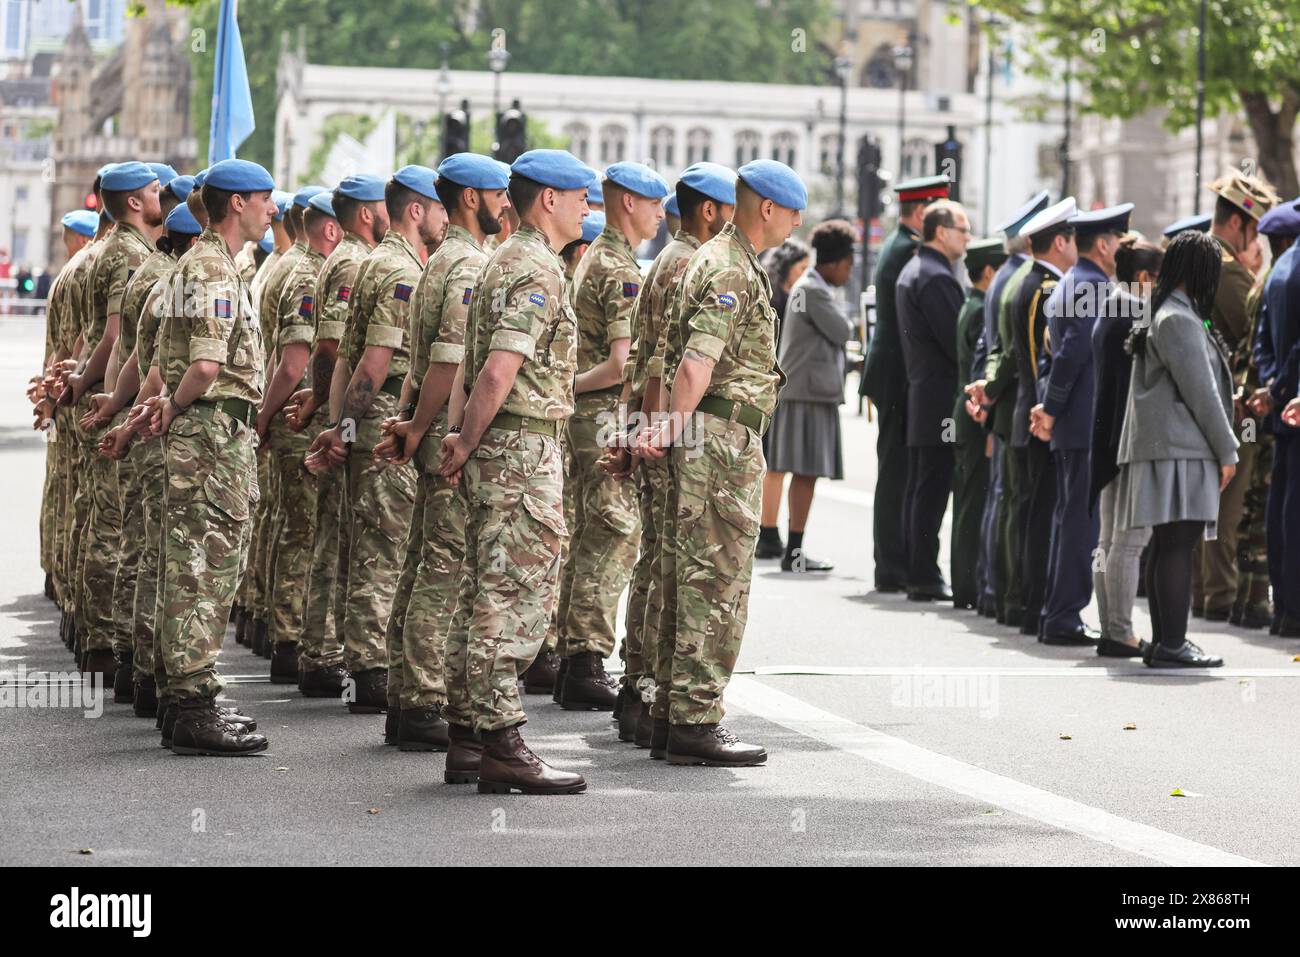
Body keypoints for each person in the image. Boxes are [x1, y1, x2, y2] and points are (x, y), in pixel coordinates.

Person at [436, 148, 594, 795]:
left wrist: (458, 437)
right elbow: (498, 367)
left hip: (501, 447)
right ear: (547, 200)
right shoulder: (536, 267)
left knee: (482, 587)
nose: (588, 204)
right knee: (513, 594)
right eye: (579, 194)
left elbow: (470, 364)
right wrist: (465, 439)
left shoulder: (504, 257)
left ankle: (470, 736)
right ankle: (500, 739)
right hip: (520, 452)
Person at [639, 158, 805, 766]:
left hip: (709, 436)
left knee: (686, 577)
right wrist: (669, 431)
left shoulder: (715, 258)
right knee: (716, 582)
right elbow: (693, 365)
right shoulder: (729, 268)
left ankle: (670, 714)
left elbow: (666, 356)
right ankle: (696, 720)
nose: (795, 222)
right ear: (768, 208)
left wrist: (660, 430)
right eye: (792, 211)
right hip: (720, 441)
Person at [371, 152, 511, 756]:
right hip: (451, 438)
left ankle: (408, 699)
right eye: (498, 192)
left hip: (432, 432)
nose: (507, 201)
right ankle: (424, 698)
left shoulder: (438, 261)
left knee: (422, 565)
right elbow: (449, 364)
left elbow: (423, 359)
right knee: (445, 573)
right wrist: (430, 427)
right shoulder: (466, 266)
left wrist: (408, 422)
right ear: (472, 199)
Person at [600, 161, 736, 752]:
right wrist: (655, 434)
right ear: (710, 209)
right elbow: (664, 364)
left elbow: (643, 361)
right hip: (682, 433)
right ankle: (659, 697)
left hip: (657, 424)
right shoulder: (691, 263)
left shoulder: (669, 263)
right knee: (678, 572)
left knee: (657, 565)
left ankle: (642, 694)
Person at [151, 158, 279, 752]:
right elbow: (205, 364)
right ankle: (194, 703)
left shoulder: (202, 264)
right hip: (211, 435)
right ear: (237, 204)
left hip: (207, 431)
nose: (272, 210)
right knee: (206, 567)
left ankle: (184, 700)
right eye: (264, 199)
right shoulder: (213, 271)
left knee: (190, 564)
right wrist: (176, 407)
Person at [308, 166, 443, 715]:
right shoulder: (397, 271)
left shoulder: (374, 263)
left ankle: (365, 663)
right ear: (417, 210)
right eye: (438, 207)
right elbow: (372, 362)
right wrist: (348, 424)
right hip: (385, 412)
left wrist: (341, 425)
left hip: (366, 418)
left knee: (367, 546)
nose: (444, 217)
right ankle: (369, 670)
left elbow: (342, 358)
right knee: (382, 551)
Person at [556, 161, 667, 714]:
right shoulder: (619, 267)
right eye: (652, 203)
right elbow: (623, 364)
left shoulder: (597, 257)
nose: (659, 213)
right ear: (628, 202)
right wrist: (570, 387)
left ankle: (567, 654)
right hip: (601, 413)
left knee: (588, 532)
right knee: (614, 534)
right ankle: (585, 658)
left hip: (586, 414)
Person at [283, 174, 389, 696]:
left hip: (341, 415)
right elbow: (332, 349)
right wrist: (333, 418)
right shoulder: (353, 261)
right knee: (348, 541)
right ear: (367, 214)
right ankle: (326, 654)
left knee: (338, 537)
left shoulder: (351, 257)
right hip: (351, 418)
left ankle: (322, 652)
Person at [1115, 231, 1237, 668]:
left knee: (1167, 543)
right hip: (1182, 449)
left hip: (1164, 447)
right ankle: (1172, 644)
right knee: (1177, 545)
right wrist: (1229, 450)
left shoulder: (1166, 311)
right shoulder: (1180, 319)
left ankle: (1164, 641)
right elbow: (1202, 394)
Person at [66, 162, 163, 680]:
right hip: (118, 399)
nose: (159, 199)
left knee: (102, 521)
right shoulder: (128, 252)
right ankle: (105, 644)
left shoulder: (107, 248)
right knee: (113, 529)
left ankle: (96, 639)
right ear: (132, 202)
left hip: (108, 394)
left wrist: (79, 381)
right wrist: (88, 385)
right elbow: (112, 337)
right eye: (153, 192)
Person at [1031, 203, 1133, 645]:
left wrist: (1049, 407)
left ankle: (1059, 611)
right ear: (1106, 245)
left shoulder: (1076, 282)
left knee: (1070, 518)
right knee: (1081, 523)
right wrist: (1051, 409)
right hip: (1082, 420)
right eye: (1121, 242)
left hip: (1073, 420)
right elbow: (1073, 354)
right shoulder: (1093, 287)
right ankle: (1063, 616)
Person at [256, 191, 341, 684]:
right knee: (303, 532)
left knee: (288, 525)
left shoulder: (285, 266)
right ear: (331, 229)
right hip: (300, 416)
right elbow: (293, 361)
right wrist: (268, 415)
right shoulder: (308, 274)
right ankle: (291, 641)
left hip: (289, 411)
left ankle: (281, 632)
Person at [860, 175, 950, 592]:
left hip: (892, 373)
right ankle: (893, 565)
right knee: (897, 471)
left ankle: (892, 563)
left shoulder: (900, 245)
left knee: (895, 469)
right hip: (898, 376)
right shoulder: (907, 249)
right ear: (920, 213)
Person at [1195, 171, 1278, 620]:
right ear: (1239, 224)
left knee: (1206, 504)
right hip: (1231, 405)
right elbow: (1252, 333)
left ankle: (1203, 593)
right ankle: (1221, 595)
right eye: (1255, 229)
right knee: (1230, 504)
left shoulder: (1195, 257)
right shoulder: (1227, 273)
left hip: (1204, 401)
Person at [966, 192, 1050, 625]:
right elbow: (1016, 349)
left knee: (1004, 499)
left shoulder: (1004, 276)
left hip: (1003, 403)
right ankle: (1010, 597)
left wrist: (987, 390)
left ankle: (994, 591)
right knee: (1016, 503)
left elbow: (991, 344)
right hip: (1016, 402)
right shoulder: (1023, 279)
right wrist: (993, 389)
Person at [765, 220, 856, 573]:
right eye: (848, 265)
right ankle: (795, 552)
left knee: (801, 472)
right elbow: (842, 329)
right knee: (805, 473)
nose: (849, 273)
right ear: (834, 262)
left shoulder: (809, 288)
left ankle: (794, 549)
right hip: (808, 395)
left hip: (806, 392)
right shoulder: (814, 290)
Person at [1090, 237, 1162, 657]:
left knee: (1107, 539)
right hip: (1129, 437)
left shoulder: (1108, 304)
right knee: (1129, 539)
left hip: (1105, 435)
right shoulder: (1136, 310)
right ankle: (1119, 631)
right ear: (1143, 278)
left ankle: (1109, 627)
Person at [895, 199, 971, 600]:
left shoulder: (917, 268)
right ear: (942, 232)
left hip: (924, 394)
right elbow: (958, 342)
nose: (968, 238)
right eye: (964, 230)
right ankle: (924, 575)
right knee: (932, 490)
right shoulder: (936, 276)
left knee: (923, 489)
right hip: (940, 398)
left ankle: (919, 571)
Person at [1009, 197, 1078, 635]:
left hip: (1030, 415)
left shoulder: (1032, 282)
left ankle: (1027, 602)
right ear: (1058, 242)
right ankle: (1033, 603)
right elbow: (1041, 362)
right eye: (1073, 239)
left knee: (1035, 513)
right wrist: (1047, 413)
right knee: (1042, 515)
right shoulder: (1045, 289)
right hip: (1039, 418)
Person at [1254, 200, 1300, 637]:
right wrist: (1286, 385)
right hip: (1295, 399)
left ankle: (1284, 606)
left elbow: (1262, 342)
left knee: (1283, 503)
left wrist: (1273, 385)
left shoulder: (1279, 270)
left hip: (1283, 403)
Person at [953, 238, 1006, 608]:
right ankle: (969, 586)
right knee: (974, 502)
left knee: (969, 500)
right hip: (974, 415)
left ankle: (965, 585)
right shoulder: (979, 309)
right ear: (988, 272)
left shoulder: (971, 304)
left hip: (964, 411)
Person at [755, 237, 811, 558]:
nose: (804, 275)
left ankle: (767, 531)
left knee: (769, 462)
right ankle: (768, 532)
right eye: (802, 269)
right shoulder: (787, 301)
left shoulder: (775, 294)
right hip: (775, 387)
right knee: (773, 463)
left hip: (768, 386)